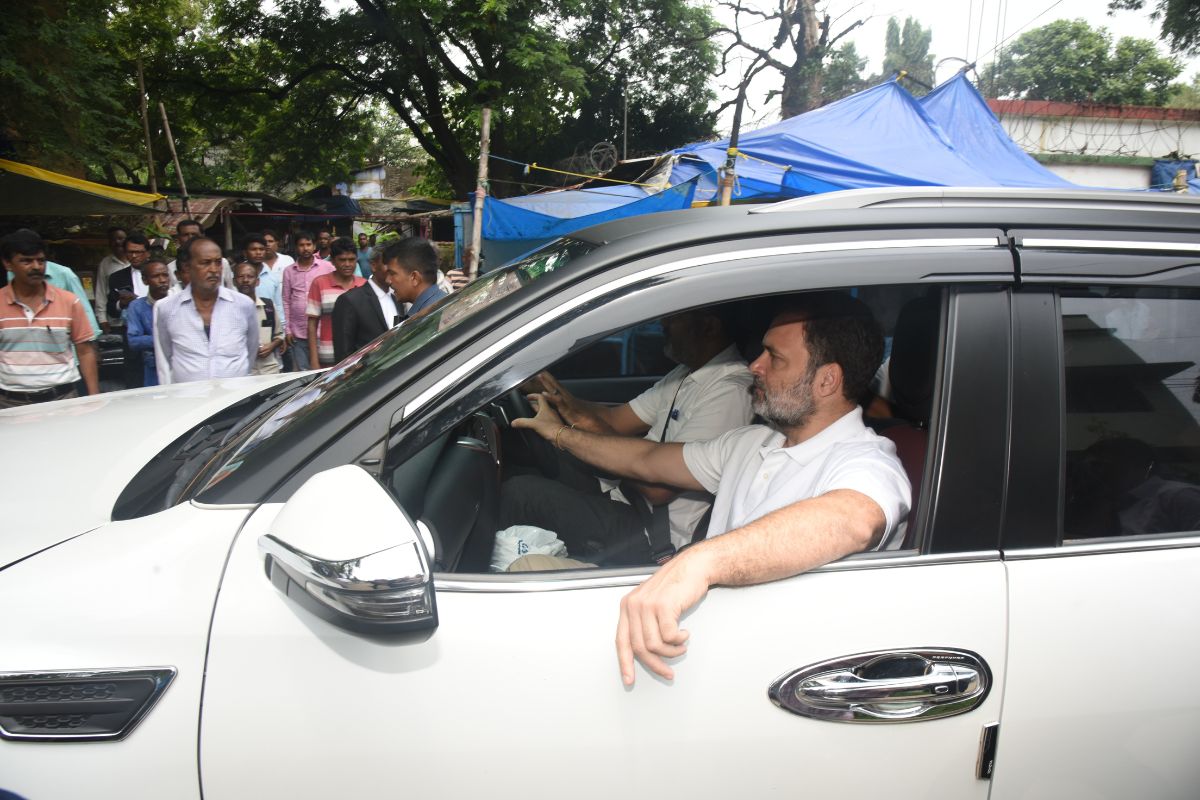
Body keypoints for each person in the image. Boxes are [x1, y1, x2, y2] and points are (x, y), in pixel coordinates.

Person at [512, 293, 911, 685]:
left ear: (827, 380)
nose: (755, 365)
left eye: (775, 357)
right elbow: (644, 461)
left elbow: (855, 519)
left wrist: (697, 563)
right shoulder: (753, 443)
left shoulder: (867, 461)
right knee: (524, 573)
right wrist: (560, 435)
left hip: (746, 662)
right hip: (697, 625)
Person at [500, 307, 754, 564]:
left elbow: (658, 491)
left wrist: (562, 432)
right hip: (625, 495)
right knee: (526, 462)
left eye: (674, 317)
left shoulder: (729, 393)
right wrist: (553, 394)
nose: (662, 321)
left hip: (653, 532)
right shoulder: (687, 374)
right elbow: (615, 421)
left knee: (521, 495)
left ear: (708, 327)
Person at [0, 230, 99, 407]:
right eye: (26, 261)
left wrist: (94, 398)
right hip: (10, 403)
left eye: (41, 260)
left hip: (63, 399)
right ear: (8, 263)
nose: (36, 266)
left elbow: (85, 351)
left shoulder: (69, 302)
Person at [153, 237, 258, 385]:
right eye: (205, 263)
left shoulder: (243, 305)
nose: (214, 270)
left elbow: (250, 351)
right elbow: (166, 356)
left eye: (218, 262)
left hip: (235, 400)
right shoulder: (166, 308)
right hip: (190, 401)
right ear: (188, 267)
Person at [306, 237, 365, 367]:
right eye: (342, 260)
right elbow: (312, 325)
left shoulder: (363, 285)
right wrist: (314, 360)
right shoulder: (319, 283)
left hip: (358, 357)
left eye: (351, 260)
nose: (348, 264)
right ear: (333, 261)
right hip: (328, 356)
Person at [332, 249, 399, 360]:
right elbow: (343, 355)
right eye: (388, 264)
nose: (393, 270)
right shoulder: (350, 301)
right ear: (373, 266)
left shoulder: (398, 297)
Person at [280, 230, 332, 371]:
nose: (305, 248)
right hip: (298, 332)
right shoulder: (289, 271)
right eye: (301, 245)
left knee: (325, 371)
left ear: (314, 246)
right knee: (303, 373)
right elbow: (286, 300)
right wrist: (288, 329)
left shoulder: (327, 267)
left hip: (323, 330)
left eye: (308, 244)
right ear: (296, 248)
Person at [124, 258, 172, 387]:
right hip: (153, 368)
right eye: (156, 276)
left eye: (165, 275)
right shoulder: (137, 306)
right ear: (145, 280)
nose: (162, 280)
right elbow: (133, 341)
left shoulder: (179, 302)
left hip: (180, 364)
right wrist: (166, 338)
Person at [233, 261, 285, 375]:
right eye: (241, 276)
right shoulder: (229, 310)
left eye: (250, 277)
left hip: (269, 369)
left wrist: (271, 346)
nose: (246, 280)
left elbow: (280, 335)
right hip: (243, 372)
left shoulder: (268, 306)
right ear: (234, 281)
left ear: (257, 281)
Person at [383, 237, 445, 320]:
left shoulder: (425, 319)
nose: (388, 280)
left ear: (414, 277)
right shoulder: (440, 303)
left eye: (392, 273)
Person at [241, 233, 286, 335]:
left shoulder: (272, 277)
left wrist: (282, 333)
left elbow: (278, 305)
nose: (258, 253)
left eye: (261, 249)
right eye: (253, 249)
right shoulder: (237, 276)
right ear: (245, 252)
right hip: (243, 327)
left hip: (267, 329)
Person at [167, 219, 233, 290]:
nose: (190, 237)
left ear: (202, 236)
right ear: (178, 238)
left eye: (194, 234)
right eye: (186, 235)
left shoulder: (221, 262)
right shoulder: (170, 268)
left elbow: (230, 288)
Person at [94, 226, 129, 332]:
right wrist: (102, 320)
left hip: (136, 319)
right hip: (115, 320)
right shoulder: (105, 263)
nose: (117, 242)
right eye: (113, 239)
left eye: (121, 238)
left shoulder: (136, 261)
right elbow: (101, 292)